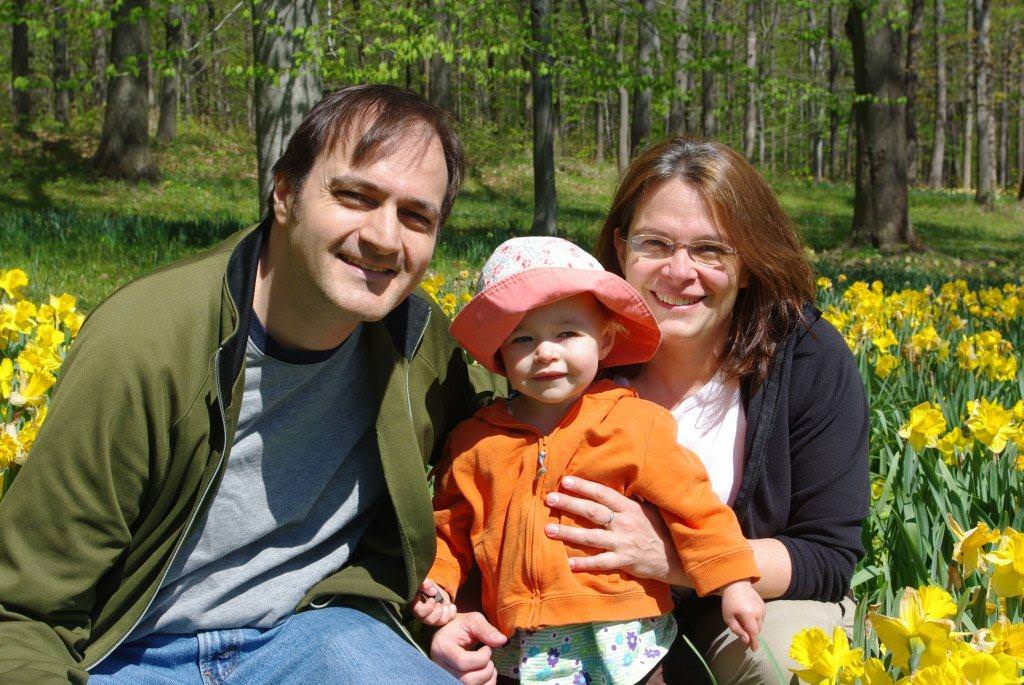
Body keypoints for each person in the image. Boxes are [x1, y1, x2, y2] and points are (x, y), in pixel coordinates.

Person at [0, 84, 492, 684]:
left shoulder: (414, 341)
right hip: (132, 651)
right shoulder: (149, 343)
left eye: (416, 215)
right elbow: (23, 608)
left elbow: (513, 433)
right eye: (355, 196)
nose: (386, 238)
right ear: (284, 193)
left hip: (317, 630)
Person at [432, 139, 869, 685]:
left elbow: (827, 557)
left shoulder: (806, 356)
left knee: (787, 658)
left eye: (711, 250)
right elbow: (478, 516)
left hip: (735, 608)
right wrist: (451, 607)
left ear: (749, 264)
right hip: (559, 628)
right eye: (655, 244)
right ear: (619, 248)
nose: (680, 271)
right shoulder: (559, 363)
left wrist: (670, 557)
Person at [415, 236, 765, 685]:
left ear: (603, 340)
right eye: (523, 338)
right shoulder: (476, 443)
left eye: (566, 333)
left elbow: (695, 508)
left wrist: (733, 582)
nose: (545, 352)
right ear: (500, 354)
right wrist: (439, 582)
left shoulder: (634, 423)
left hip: (625, 636)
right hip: (518, 643)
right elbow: (451, 527)